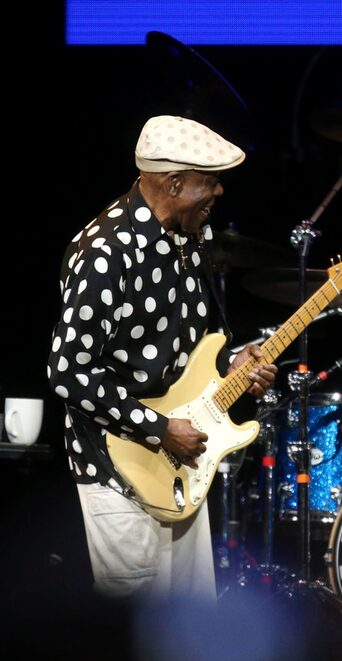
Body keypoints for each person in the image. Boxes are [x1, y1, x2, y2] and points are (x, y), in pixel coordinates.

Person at [47, 115, 277, 602]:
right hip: (117, 466)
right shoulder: (105, 253)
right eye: (209, 182)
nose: (218, 192)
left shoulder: (191, 241)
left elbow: (194, 348)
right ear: (173, 182)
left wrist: (233, 365)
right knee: (131, 629)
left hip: (181, 463)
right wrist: (158, 428)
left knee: (185, 627)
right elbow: (68, 372)